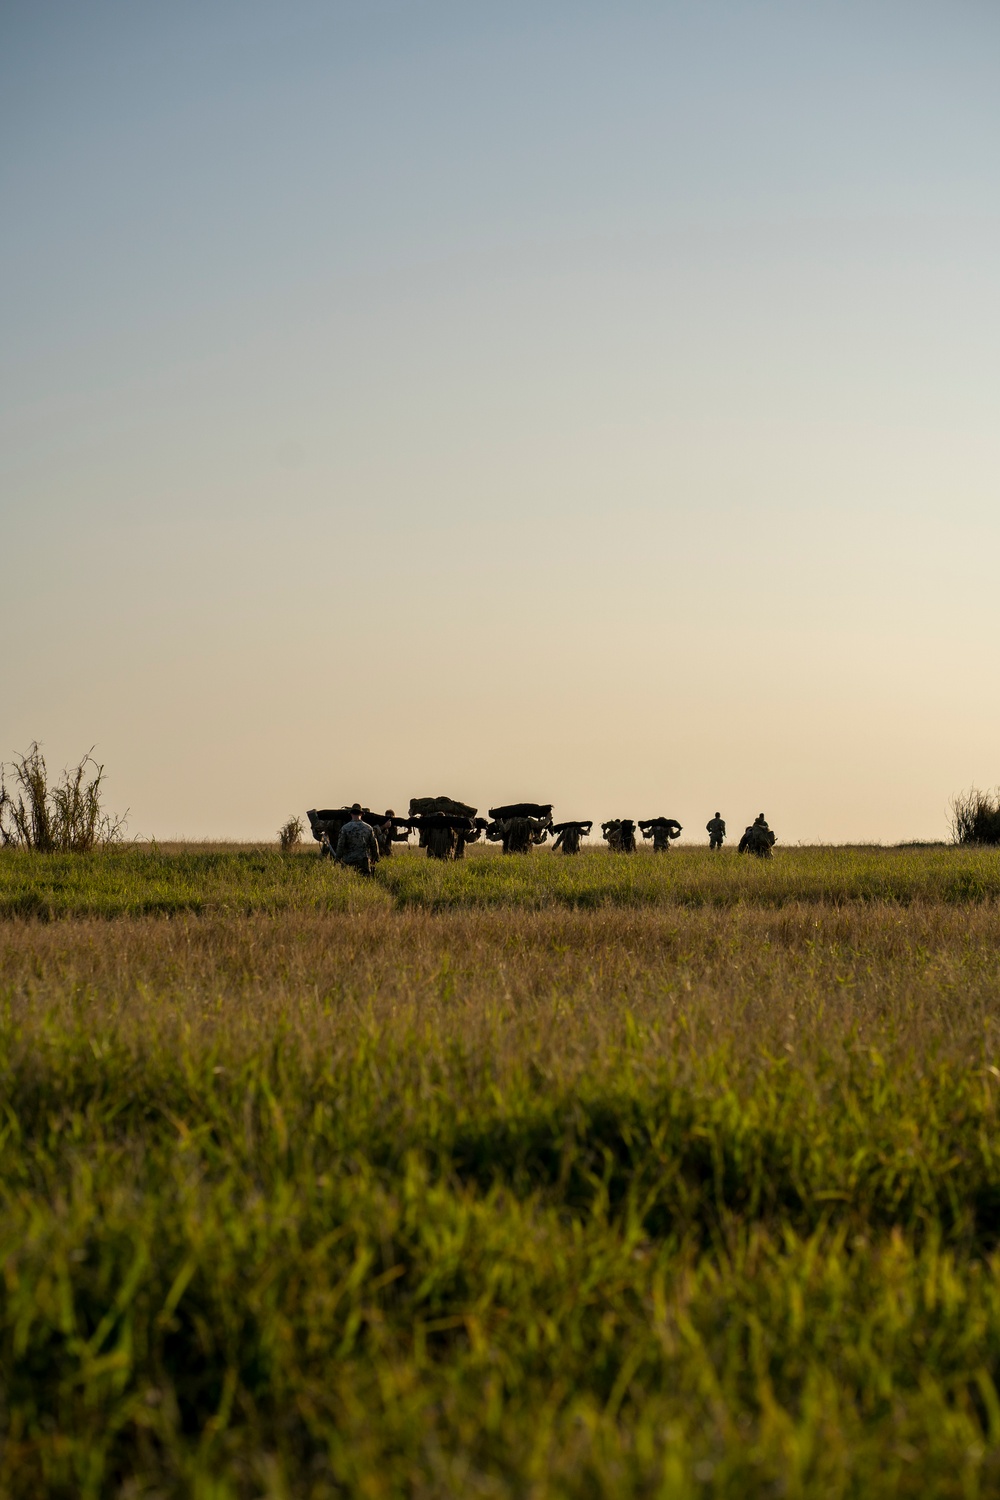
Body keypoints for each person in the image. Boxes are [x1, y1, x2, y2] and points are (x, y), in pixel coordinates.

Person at [335, 803, 379, 875]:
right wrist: (375, 858)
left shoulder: (345, 828)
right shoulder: (368, 828)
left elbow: (340, 845)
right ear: (361, 814)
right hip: (364, 861)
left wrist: (337, 859)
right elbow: (374, 845)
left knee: (350, 883)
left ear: (351, 814)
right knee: (365, 882)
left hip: (348, 861)